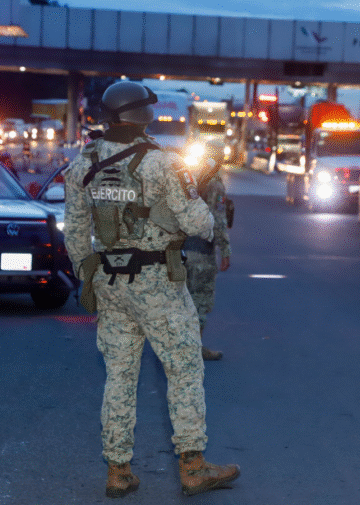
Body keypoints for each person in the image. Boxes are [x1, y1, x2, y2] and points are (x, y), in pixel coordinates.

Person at [63, 81, 240, 498]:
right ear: (144, 115)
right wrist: (188, 196)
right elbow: (201, 224)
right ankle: (193, 466)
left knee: (119, 376)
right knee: (184, 370)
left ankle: (118, 471)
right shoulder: (162, 162)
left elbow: (74, 233)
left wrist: (86, 274)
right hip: (157, 283)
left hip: (109, 282)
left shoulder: (83, 161)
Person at [184, 139, 231, 361]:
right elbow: (219, 220)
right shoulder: (214, 184)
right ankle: (194, 349)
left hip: (181, 250)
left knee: (182, 299)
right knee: (200, 300)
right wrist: (226, 250)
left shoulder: (189, 177)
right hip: (202, 251)